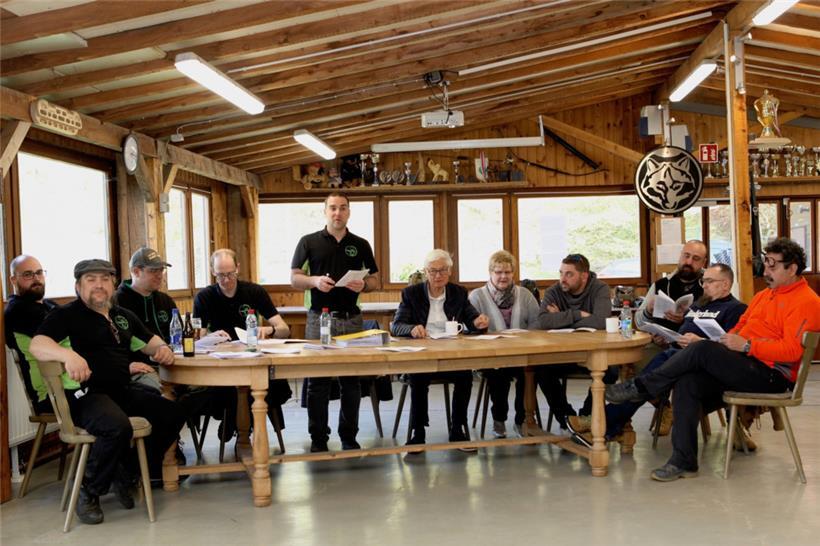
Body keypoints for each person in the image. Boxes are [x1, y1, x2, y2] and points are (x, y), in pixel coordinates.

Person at [606, 238, 820, 482]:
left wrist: (748, 345)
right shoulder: (764, 296)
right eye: (766, 263)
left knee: (702, 349)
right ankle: (684, 461)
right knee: (688, 380)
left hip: (773, 376)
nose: (766, 270)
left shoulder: (808, 302)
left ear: (792, 269)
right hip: (746, 364)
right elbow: (740, 327)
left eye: (772, 265)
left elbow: (792, 351)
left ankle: (641, 387)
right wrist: (728, 341)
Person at [29, 259, 184, 525]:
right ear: (78, 286)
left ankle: (126, 470)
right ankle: (89, 491)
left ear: (113, 284)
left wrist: (163, 349)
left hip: (121, 390)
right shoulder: (67, 315)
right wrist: (68, 355)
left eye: (104, 279)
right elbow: (37, 345)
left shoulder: (122, 316)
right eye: (91, 280)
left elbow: (150, 342)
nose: (98, 285)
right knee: (116, 426)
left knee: (171, 413)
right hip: (86, 395)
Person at [568, 264, 746, 446]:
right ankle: (609, 424)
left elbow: (729, 349)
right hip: (678, 354)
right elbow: (684, 331)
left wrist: (699, 342)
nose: (704, 285)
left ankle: (603, 421)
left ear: (725, 284)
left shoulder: (735, 309)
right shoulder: (699, 305)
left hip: (704, 365)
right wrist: (667, 335)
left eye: (709, 281)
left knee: (649, 378)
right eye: (703, 281)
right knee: (656, 369)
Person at [290, 192, 380, 452]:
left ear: (349, 212)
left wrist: (364, 284)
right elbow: (295, 278)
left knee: (351, 382)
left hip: (352, 321)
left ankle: (349, 437)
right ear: (325, 211)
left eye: (342, 208)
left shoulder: (360, 244)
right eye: (332, 208)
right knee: (317, 382)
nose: (337, 213)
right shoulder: (308, 242)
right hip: (319, 319)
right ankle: (319, 439)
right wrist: (315, 281)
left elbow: (375, 280)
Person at [391, 249, 489, 450]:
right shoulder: (412, 293)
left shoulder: (458, 292)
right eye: (433, 271)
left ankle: (457, 430)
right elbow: (396, 325)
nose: (438, 275)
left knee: (465, 376)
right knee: (418, 378)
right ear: (426, 272)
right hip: (423, 354)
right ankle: (418, 432)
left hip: (451, 352)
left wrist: (478, 322)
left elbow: (471, 317)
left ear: (450, 271)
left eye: (442, 270)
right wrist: (412, 329)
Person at [194, 248, 293, 439]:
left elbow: (284, 329)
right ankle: (238, 425)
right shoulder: (204, 297)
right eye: (220, 275)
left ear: (237, 268)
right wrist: (212, 337)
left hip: (252, 358)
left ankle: (236, 425)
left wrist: (269, 330)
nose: (226, 280)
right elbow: (199, 338)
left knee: (265, 383)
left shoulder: (254, 291)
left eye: (230, 274)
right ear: (213, 272)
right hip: (222, 363)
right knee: (232, 388)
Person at [468, 250, 540, 438]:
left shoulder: (525, 295)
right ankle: (499, 419)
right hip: (491, 356)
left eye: (507, 272)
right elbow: (468, 329)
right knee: (498, 374)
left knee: (529, 373)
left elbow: (537, 324)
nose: (503, 276)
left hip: (523, 353)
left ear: (513, 274)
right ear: (490, 273)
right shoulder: (477, 296)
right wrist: (478, 327)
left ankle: (521, 419)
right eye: (498, 272)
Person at [536, 253, 611, 427]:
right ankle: (567, 418)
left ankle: (587, 416)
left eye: (569, 274)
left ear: (584, 276)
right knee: (541, 370)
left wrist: (560, 320)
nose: (563, 278)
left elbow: (601, 321)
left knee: (611, 370)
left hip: (592, 353)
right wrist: (577, 314)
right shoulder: (554, 291)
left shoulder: (600, 289)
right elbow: (543, 321)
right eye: (561, 273)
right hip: (562, 354)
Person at [5, 255, 74, 414]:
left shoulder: (48, 305)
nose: (36, 279)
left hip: (69, 382)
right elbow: (70, 337)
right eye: (28, 274)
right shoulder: (17, 311)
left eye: (39, 272)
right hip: (49, 395)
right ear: (13, 280)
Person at [634, 240, 707, 333]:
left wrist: (685, 320)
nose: (689, 262)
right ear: (680, 255)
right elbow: (639, 324)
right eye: (686, 256)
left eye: (696, 258)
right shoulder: (660, 285)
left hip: (694, 344)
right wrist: (648, 310)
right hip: (660, 344)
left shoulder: (710, 286)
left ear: (703, 262)